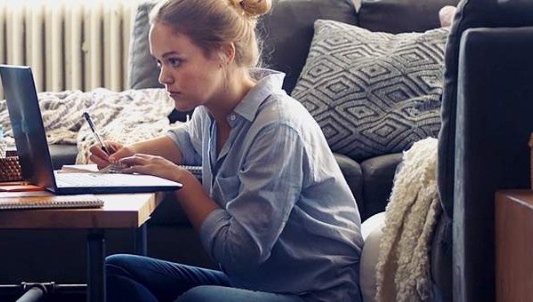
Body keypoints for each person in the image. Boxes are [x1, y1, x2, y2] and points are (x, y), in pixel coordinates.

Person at [88, 0, 364, 301]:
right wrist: (125, 154)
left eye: (175, 61)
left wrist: (181, 180)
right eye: (159, 63)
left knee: (198, 299)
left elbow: (239, 254)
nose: (163, 77)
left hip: (313, 293)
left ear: (224, 53)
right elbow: (184, 141)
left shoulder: (277, 127)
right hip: (257, 284)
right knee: (118, 270)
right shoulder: (210, 113)